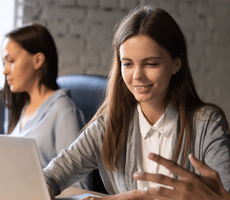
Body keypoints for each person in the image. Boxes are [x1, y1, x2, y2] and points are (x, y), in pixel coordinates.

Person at [43, 5, 230, 199]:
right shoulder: (108, 125)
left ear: (176, 64)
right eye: (128, 64)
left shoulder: (205, 123)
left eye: (151, 64)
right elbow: (51, 176)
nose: (137, 76)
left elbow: (224, 193)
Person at [1, 24, 86, 183]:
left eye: (11, 60)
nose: (5, 70)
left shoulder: (64, 112)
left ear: (38, 60)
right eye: (3, 62)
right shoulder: (19, 109)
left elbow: (79, 186)